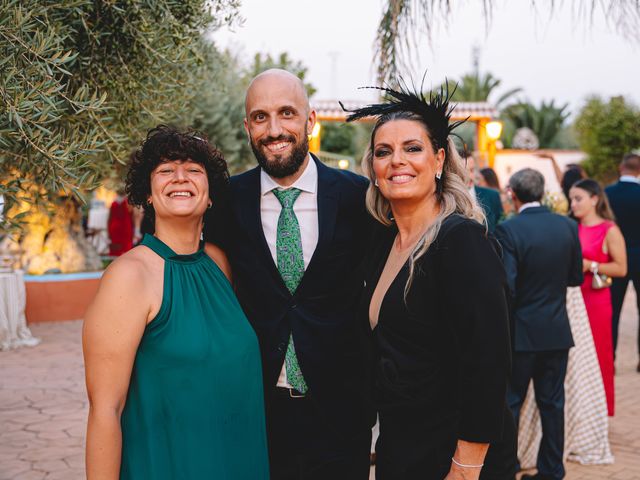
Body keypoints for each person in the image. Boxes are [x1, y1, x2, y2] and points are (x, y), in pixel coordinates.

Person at [205, 69, 372, 480]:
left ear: (310, 120)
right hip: (256, 411)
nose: (274, 129)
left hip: (341, 413)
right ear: (247, 127)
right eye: (260, 117)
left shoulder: (358, 197)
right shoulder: (226, 200)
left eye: (286, 113)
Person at [344, 84, 516, 480]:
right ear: (373, 168)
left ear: (439, 159)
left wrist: (466, 466)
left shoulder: (460, 241)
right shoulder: (383, 243)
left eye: (412, 148)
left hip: (456, 456)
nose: (396, 161)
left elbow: (488, 364)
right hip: (402, 447)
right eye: (383, 152)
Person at [83, 126, 269, 480]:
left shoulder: (218, 262)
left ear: (210, 194)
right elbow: (106, 410)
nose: (180, 177)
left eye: (194, 170)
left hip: (239, 462)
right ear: (148, 195)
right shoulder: (129, 275)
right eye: (166, 170)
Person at [496, 168, 583, 480]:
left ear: (514, 194)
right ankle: (552, 470)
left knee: (511, 403)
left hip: (521, 335)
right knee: (552, 404)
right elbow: (576, 277)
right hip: (557, 331)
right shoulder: (568, 226)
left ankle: (507, 467)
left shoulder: (509, 230)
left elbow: (508, 285)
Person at [570, 178, 627, 416]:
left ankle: (599, 412)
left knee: (598, 354)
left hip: (596, 300)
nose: (573, 204)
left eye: (578, 198)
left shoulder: (609, 229)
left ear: (594, 199)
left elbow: (621, 268)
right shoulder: (570, 226)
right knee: (576, 358)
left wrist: (590, 265)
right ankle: (577, 412)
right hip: (572, 300)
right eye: (571, 199)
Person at [605, 153, 640, 370]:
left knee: (613, 311)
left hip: (615, 259)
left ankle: (612, 359)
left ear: (620, 167)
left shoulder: (607, 194)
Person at [466, 156, 503, 233]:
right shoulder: (447, 198)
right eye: (464, 171)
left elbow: (500, 223)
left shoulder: (493, 195)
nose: (470, 176)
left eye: (472, 170)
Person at [107, 188, 133, 256]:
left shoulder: (113, 203)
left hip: (114, 226)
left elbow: (109, 218)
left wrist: (108, 230)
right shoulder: (127, 203)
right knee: (126, 246)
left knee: (116, 246)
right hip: (126, 226)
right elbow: (132, 215)